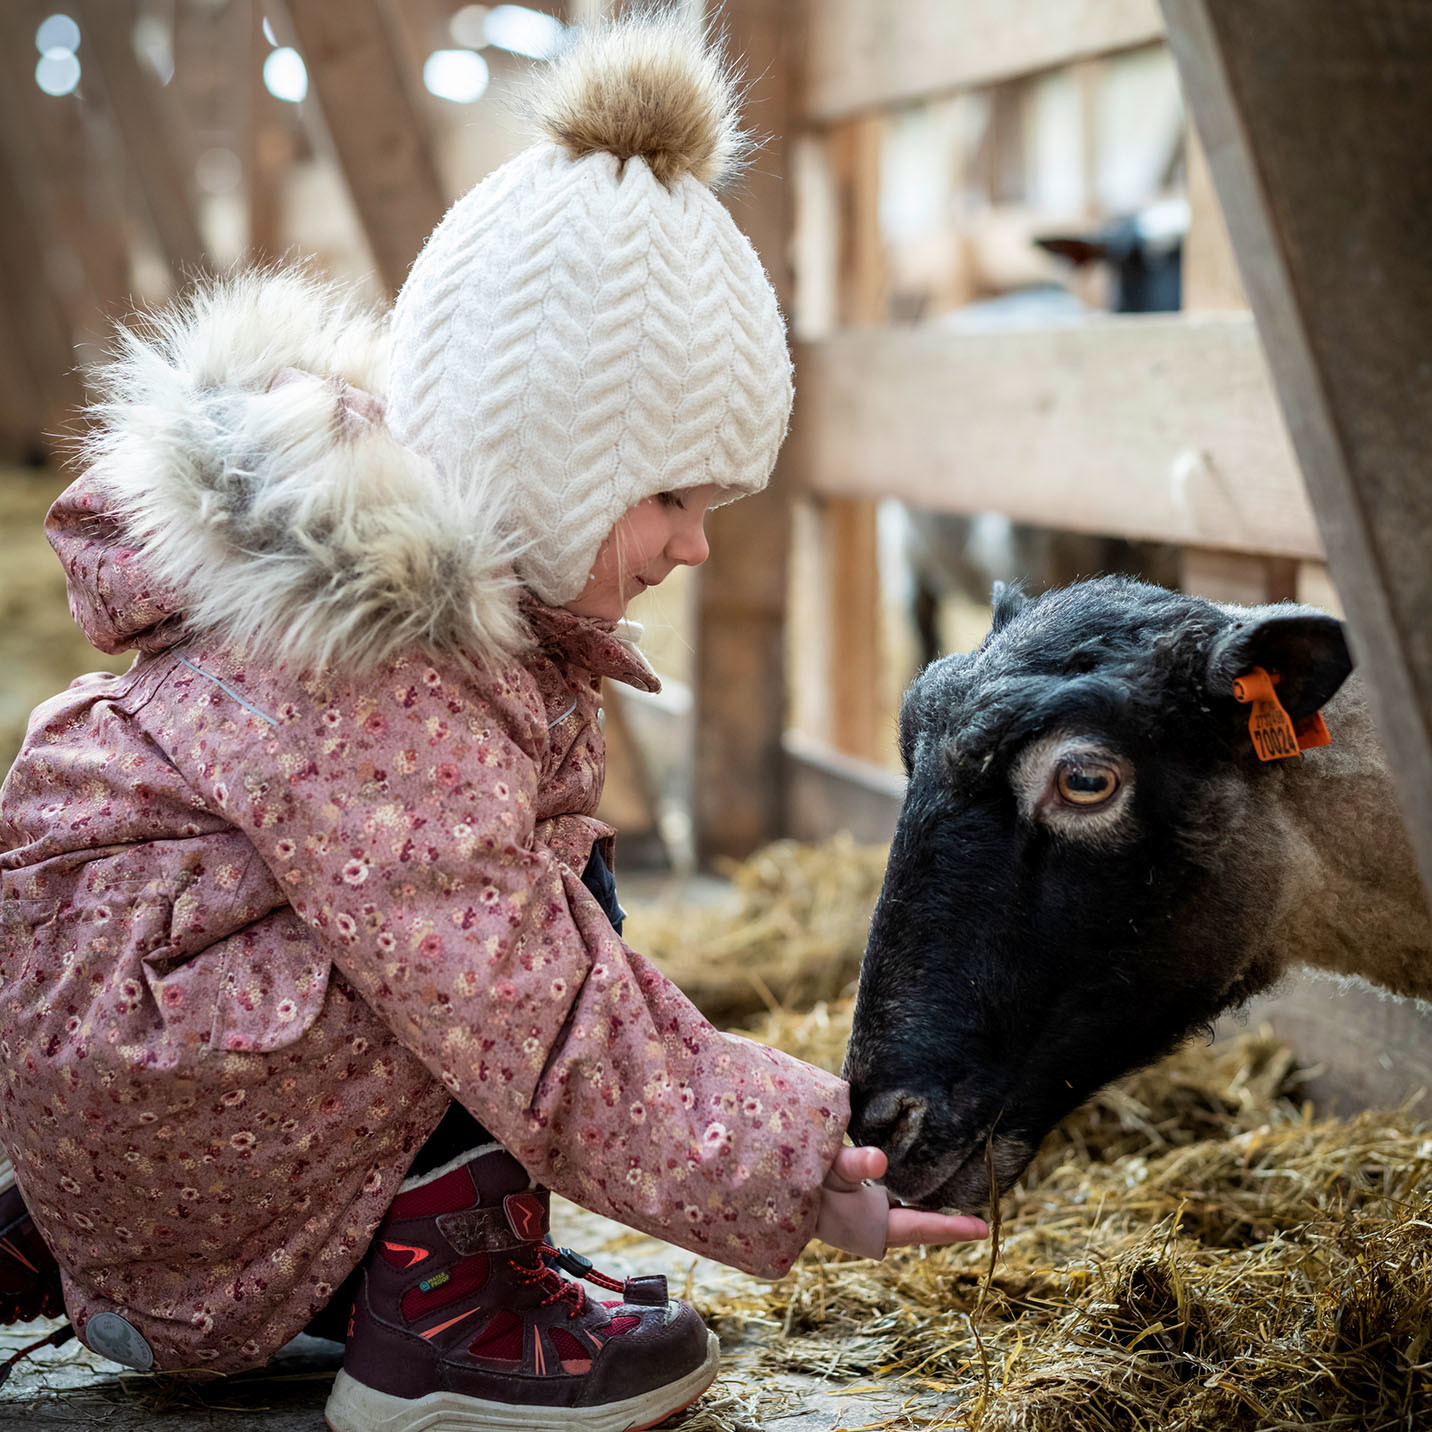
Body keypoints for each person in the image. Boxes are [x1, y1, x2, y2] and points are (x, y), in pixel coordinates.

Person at [0, 14, 987, 1431]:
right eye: (669, 498)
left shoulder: (389, 614)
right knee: (526, 912)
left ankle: (389, 1257)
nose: (693, 549)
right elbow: (532, 1004)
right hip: (172, 1131)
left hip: (149, 1112)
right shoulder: (381, 674)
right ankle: (441, 1320)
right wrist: (780, 1163)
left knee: (511, 883)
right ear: (539, 460)